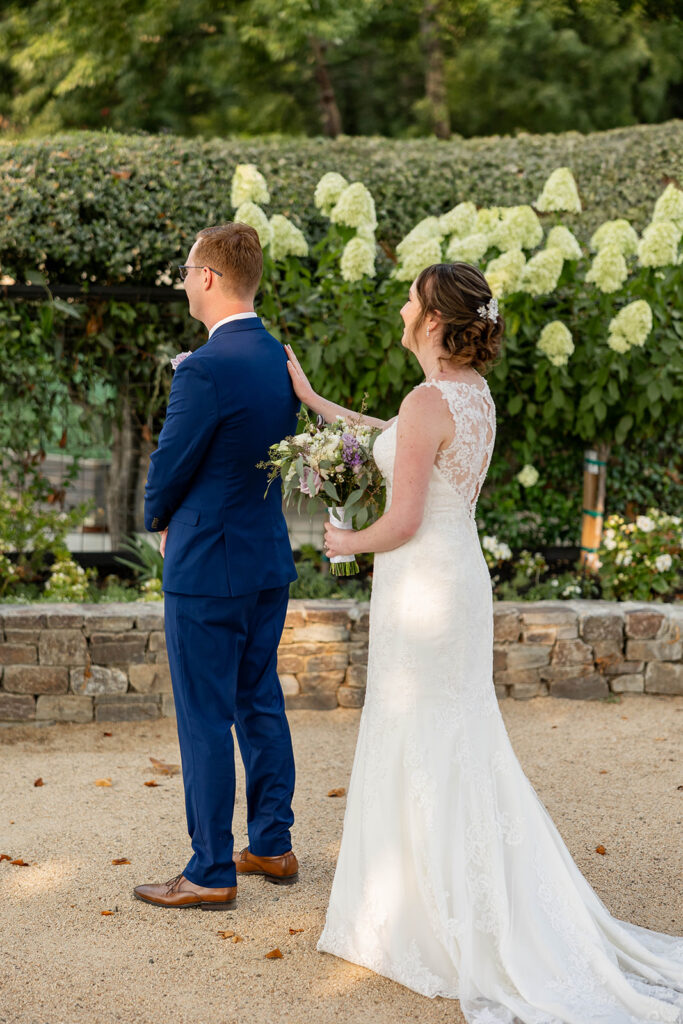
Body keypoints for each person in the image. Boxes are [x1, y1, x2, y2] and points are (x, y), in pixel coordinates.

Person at [285, 262, 683, 1023]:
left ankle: (430, 922)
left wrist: (343, 540)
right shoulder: (466, 396)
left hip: (421, 584)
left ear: (432, 318)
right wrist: (315, 402)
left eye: (410, 298)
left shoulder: (427, 398)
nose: (402, 306)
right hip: (452, 580)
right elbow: (398, 441)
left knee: (423, 734)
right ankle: (429, 906)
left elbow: (399, 520)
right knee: (447, 735)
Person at [135, 223, 300, 911]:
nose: (182, 281)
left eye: (184, 270)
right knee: (258, 700)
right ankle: (271, 843)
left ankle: (208, 870)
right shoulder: (276, 356)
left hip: (207, 566)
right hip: (264, 558)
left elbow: (170, 466)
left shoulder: (203, 368)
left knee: (204, 717)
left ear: (207, 277)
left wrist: (157, 521)